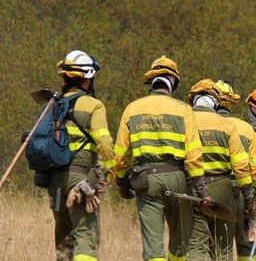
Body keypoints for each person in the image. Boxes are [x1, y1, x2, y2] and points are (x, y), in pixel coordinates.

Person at [113, 56, 209, 261]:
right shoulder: (183, 110)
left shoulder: (132, 109)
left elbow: (120, 154)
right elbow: (193, 154)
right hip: (178, 179)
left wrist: (121, 182)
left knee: (153, 247)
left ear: (153, 81)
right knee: (180, 245)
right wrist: (201, 189)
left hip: (145, 181)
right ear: (173, 82)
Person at [50, 50, 115, 261]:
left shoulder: (53, 106)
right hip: (80, 179)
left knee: (64, 240)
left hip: (55, 181)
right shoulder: (93, 105)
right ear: (87, 77)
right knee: (86, 237)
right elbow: (104, 142)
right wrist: (109, 173)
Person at [185, 79, 252, 260]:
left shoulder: (184, 121)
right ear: (215, 101)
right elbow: (241, 167)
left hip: (192, 189)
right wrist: (248, 197)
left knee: (196, 246)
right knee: (224, 248)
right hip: (223, 190)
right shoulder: (228, 125)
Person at [214, 80, 256, 260]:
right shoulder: (244, 129)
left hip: (216, 196)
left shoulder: (200, 126)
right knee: (251, 250)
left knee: (220, 249)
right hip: (247, 199)